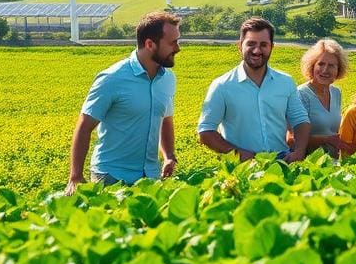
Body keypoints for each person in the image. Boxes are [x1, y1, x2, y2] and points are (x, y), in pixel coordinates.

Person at [65, 11, 180, 195]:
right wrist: (75, 176)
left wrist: (168, 156)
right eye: (172, 43)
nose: (177, 48)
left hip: (150, 178)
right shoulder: (112, 78)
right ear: (150, 44)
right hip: (111, 177)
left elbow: (165, 118)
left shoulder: (168, 79)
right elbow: (84, 126)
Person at [197, 16, 310, 162]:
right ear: (240, 45)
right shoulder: (222, 86)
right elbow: (205, 131)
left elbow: (300, 120)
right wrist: (237, 153)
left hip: (282, 161)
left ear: (272, 47)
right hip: (242, 166)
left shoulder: (285, 82)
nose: (257, 50)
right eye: (251, 44)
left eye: (263, 45)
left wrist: (299, 151)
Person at [294, 38, 353, 158]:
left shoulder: (336, 92)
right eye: (321, 64)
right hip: (309, 162)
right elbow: (292, 139)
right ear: (312, 66)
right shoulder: (301, 94)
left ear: (338, 70)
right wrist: (327, 139)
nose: (325, 70)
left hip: (333, 163)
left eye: (331, 65)